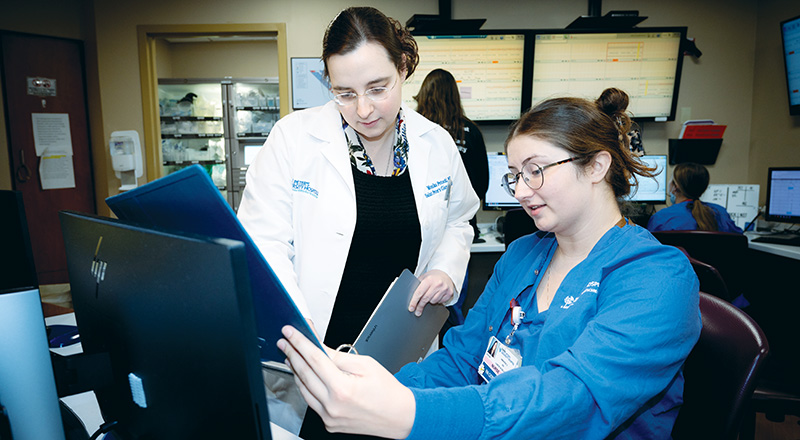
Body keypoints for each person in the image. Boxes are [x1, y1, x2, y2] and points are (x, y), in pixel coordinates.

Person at [277, 88, 702, 439]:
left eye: (535, 171)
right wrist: (379, 390)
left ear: (596, 165)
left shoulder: (656, 277)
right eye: (514, 175)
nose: (520, 190)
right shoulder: (523, 255)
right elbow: (464, 358)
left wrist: (408, 412)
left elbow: (574, 396)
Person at [237, 6, 479, 437]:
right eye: (344, 93)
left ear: (403, 67)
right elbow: (263, 243)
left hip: (400, 360)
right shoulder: (294, 140)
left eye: (377, 88)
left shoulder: (435, 143)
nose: (363, 109)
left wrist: (446, 267)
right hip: (314, 359)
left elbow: (461, 219)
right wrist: (294, 318)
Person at [414, 68, 489, 243]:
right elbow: (481, 184)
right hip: (462, 225)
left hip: (420, 226)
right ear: (454, 96)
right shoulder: (471, 132)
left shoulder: (413, 131)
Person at [647, 162, 743, 233]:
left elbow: (649, 250)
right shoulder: (720, 213)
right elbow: (738, 239)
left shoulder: (661, 218)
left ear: (675, 187)